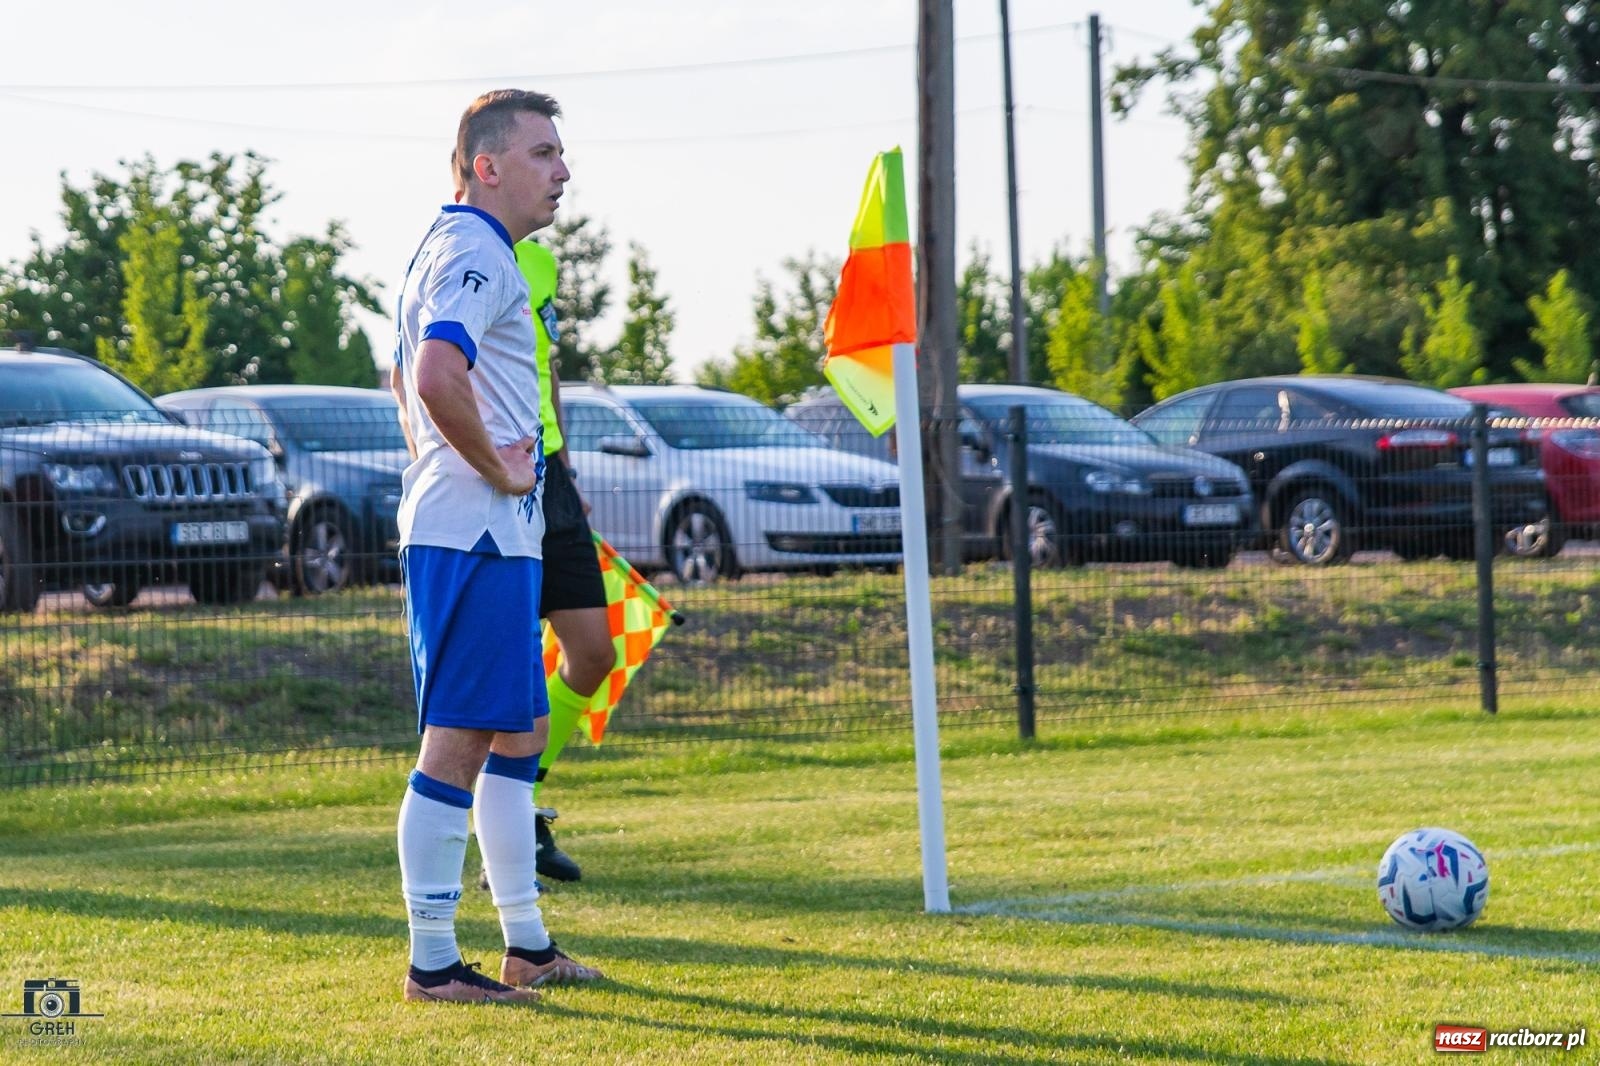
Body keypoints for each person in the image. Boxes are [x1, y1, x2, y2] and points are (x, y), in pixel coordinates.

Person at [390, 87, 600, 1005]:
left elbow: (409, 379)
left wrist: (457, 461)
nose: (562, 169)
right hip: (474, 529)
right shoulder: (476, 248)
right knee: (458, 743)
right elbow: (435, 373)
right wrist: (499, 470)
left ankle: (528, 947)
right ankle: (432, 964)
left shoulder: (467, 249)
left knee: (517, 732)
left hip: (487, 531)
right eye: (544, 152)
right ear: (488, 165)